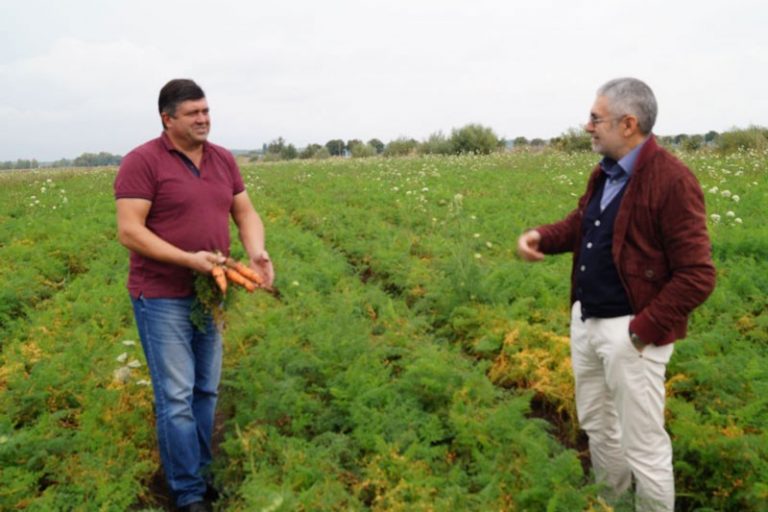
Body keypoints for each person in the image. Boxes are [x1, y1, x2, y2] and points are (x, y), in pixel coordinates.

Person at [517, 78, 715, 511]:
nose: (588, 126)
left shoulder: (672, 181)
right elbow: (582, 224)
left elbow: (698, 274)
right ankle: (611, 503)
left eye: (595, 118)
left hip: (632, 332)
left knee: (642, 444)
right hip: (587, 321)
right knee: (598, 426)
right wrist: (541, 237)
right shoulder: (604, 172)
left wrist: (642, 330)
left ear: (628, 124)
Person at [114, 79, 274, 512]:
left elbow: (245, 211)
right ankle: (187, 493)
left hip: (211, 291)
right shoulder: (142, 162)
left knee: (206, 390)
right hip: (161, 296)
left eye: (206, 111)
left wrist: (256, 252)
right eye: (193, 113)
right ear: (167, 119)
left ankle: (202, 474)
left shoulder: (223, 159)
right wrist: (189, 259)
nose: (204, 119)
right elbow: (130, 231)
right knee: (177, 396)